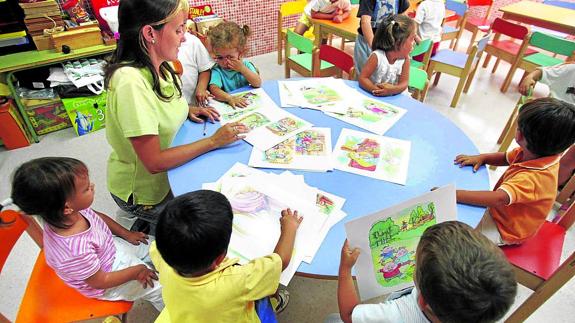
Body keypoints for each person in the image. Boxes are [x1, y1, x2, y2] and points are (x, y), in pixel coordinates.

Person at [104, 0, 248, 234]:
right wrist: (214, 141)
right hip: (146, 192)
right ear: (150, 33)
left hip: (169, 173)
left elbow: (165, 104)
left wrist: (186, 109)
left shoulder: (161, 65)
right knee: (212, 229)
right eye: (179, 29)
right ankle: (146, 223)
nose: (184, 37)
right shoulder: (130, 83)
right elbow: (154, 162)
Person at [5, 157, 164, 310]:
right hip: (108, 278)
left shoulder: (68, 212)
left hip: (109, 248)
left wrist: (126, 234)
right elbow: (100, 281)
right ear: (67, 207)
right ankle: (177, 313)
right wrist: (136, 271)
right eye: (86, 188)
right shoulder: (72, 251)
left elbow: (98, 218)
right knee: (158, 289)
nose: (93, 186)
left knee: (156, 247)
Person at [150, 190, 302, 322]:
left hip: (185, 315)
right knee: (264, 295)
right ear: (220, 258)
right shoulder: (237, 281)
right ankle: (275, 301)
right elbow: (281, 261)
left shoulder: (160, 254)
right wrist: (290, 227)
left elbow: (155, 248)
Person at [332, 221, 516, 323]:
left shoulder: (396, 314)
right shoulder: (484, 310)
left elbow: (349, 314)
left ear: (422, 300)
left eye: (415, 262)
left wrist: (345, 270)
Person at [455, 98, 575, 245]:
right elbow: (505, 158)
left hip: (506, 229)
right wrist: (483, 158)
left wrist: (455, 194)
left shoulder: (534, 179)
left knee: (457, 237)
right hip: (503, 211)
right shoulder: (538, 153)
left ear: (519, 136)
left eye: (518, 127)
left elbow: (498, 198)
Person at [519, 60, 575, 186]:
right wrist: (530, 77)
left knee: (569, 161)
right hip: (552, 122)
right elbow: (542, 72)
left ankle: (549, 187)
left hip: (568, 128)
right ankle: (529, 179)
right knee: (540, 155)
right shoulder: (571, 70)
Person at [207, 22, 262, 108]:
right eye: (220, 57)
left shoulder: (246, 65)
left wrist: (243, 69)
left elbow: (257, 83)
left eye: (230, 57)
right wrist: (229, 98)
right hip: (230, 106)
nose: (225, 62)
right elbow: (214, 89)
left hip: (249, 103)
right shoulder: (218, 70)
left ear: (241, 53)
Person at [358, 15, 415, 96]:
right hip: (375, 97)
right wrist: (377, 90)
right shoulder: (377, 56)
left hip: (395, 98)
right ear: (398, 43)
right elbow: (363, 78)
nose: (414, 43)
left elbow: (404, 83)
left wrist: (391, 90)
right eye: (412, 39)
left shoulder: (405, 59)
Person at [355, 0, 410, 76]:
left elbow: (403, 18)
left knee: (382, 76)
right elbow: (365, 22)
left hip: (389, 43)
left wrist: (413, 36)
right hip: (367, 43)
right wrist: (374, 47)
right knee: (364, 75)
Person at [178, 30, 215, 111]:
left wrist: (201, 88)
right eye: (177, 29)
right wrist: (186, 110)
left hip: (195, 106)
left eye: (184, 24)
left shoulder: (192, 41)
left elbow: (205, 69)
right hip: (176, 111)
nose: (183, 38)